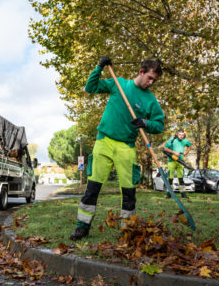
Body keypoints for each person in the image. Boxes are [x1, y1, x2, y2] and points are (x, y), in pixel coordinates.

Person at [70, 56, 165, 241]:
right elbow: (90, 87)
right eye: (150, 78)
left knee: (129, 192)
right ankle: (82, 227)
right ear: (141, 72)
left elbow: (159, 125)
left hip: (126, 148)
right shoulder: (119, 84)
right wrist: (99, 67)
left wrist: (145, 122)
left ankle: (127, 230)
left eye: (154, 80)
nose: (151, 83)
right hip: (103, 142)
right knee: (92, 188)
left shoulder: (151, 101)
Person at [163, 129, 192, 199]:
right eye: (180, 135)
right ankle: (169, 194)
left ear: (184, 135)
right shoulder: (172, 140)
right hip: (171, 161)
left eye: (182, 135)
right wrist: (174, 152)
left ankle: (183, 194)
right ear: (177, 134)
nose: (181, 136)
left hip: (180, 161)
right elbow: (165, 148)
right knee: (170, 178)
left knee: (181, 178)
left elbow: (190, 145)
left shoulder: (185, 141)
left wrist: (186, 152)